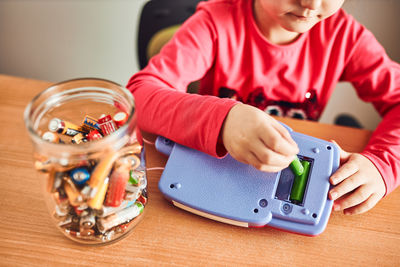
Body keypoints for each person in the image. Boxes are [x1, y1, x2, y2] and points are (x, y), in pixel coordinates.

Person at [127, 0, 400, 215]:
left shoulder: (346, 37)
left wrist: (382, 164)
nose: (312, 4)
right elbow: (139, 94)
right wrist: (223, 122)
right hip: (216, 173)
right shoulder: (215, 23)